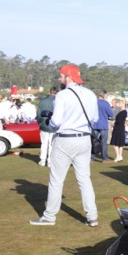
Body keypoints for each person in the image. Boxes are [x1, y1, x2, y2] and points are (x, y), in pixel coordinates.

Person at [30, 64, 99, 227]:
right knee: (84, 179)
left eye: (61, 76)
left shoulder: (62, 95)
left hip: (65, 139)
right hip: (84, 139)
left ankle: (49, 216)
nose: (59, 79)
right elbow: (95, 119)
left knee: (56, 179)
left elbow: (56, 122)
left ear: (69, 77)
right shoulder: (90, 94)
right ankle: (92, 216)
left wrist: (51, 122)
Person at [37, 87, 58, 167]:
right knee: (52, 144)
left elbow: (38, 114)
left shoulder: (42, 101)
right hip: (54, 125)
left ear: (50, 92)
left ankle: (42, 160)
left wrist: (39, 122)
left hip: (44, 124)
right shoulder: (58, 101)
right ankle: (50, 161)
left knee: (44, 143)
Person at [92, 92, 114, 163]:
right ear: (103, 97)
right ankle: (104, 158)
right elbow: (111, 114)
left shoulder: (93, 103)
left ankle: (92, 158)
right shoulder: (105, 103)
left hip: (94, 125)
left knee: (93, 142)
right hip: (103, 125)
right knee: (104, 143)